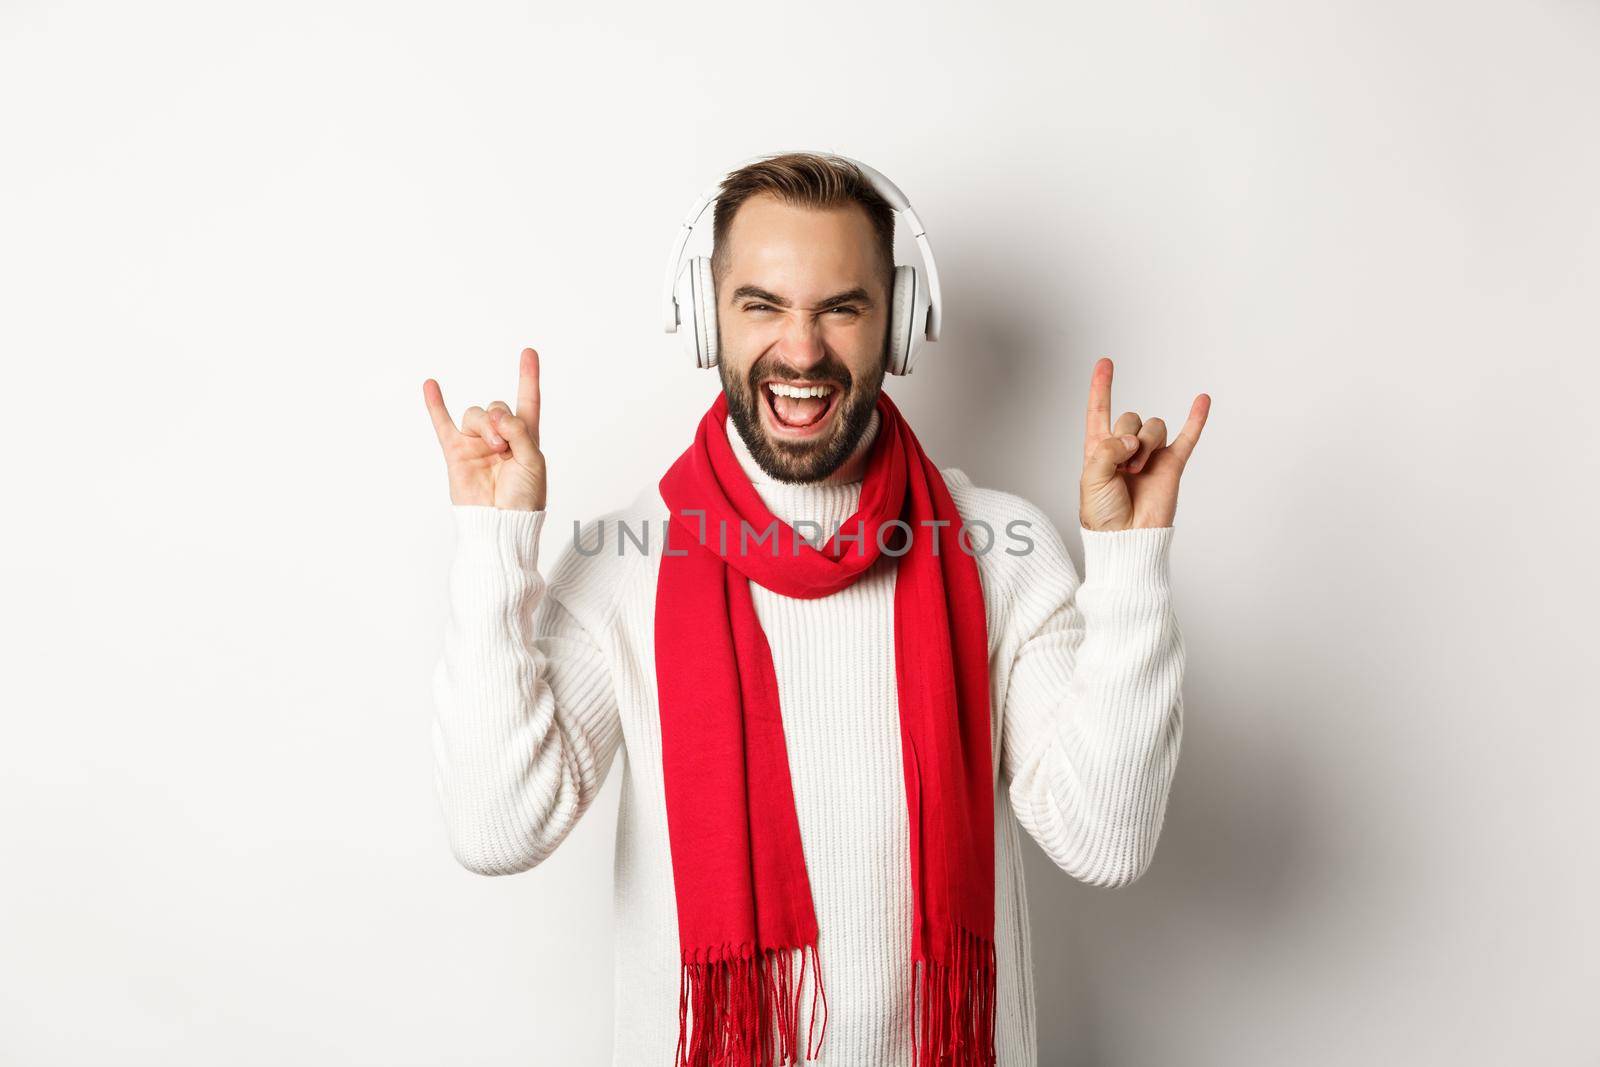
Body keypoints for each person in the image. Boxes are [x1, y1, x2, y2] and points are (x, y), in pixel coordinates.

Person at [421, 152, 1210, 1067]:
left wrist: (1129, 562)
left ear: (902, 322)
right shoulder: (622, 564)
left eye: (841, 306)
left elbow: (1104, 838)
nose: (801, 350)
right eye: (761, 304)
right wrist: (492, 543)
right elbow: (494, 828)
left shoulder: (999, 551)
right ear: (706, 319)